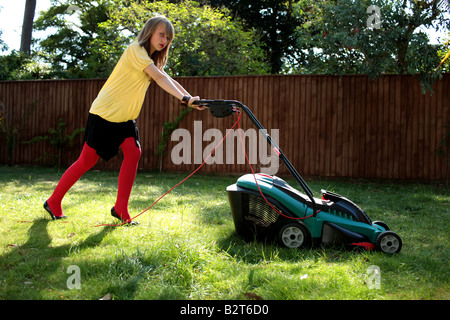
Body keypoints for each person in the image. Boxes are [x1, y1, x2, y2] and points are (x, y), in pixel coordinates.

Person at [44, 16, 203, 225]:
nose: (165, 39)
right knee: (87, 161)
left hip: (124, 118)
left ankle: (120, 208)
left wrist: (189, 98)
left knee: (133, 152)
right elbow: (160, 78)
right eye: (161, 34)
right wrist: (185, 99)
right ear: (150, 32)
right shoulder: (135, 50)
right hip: (105, 114)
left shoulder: (150, 59)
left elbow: (166, 77)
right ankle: (53, 201)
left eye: (168, 37)